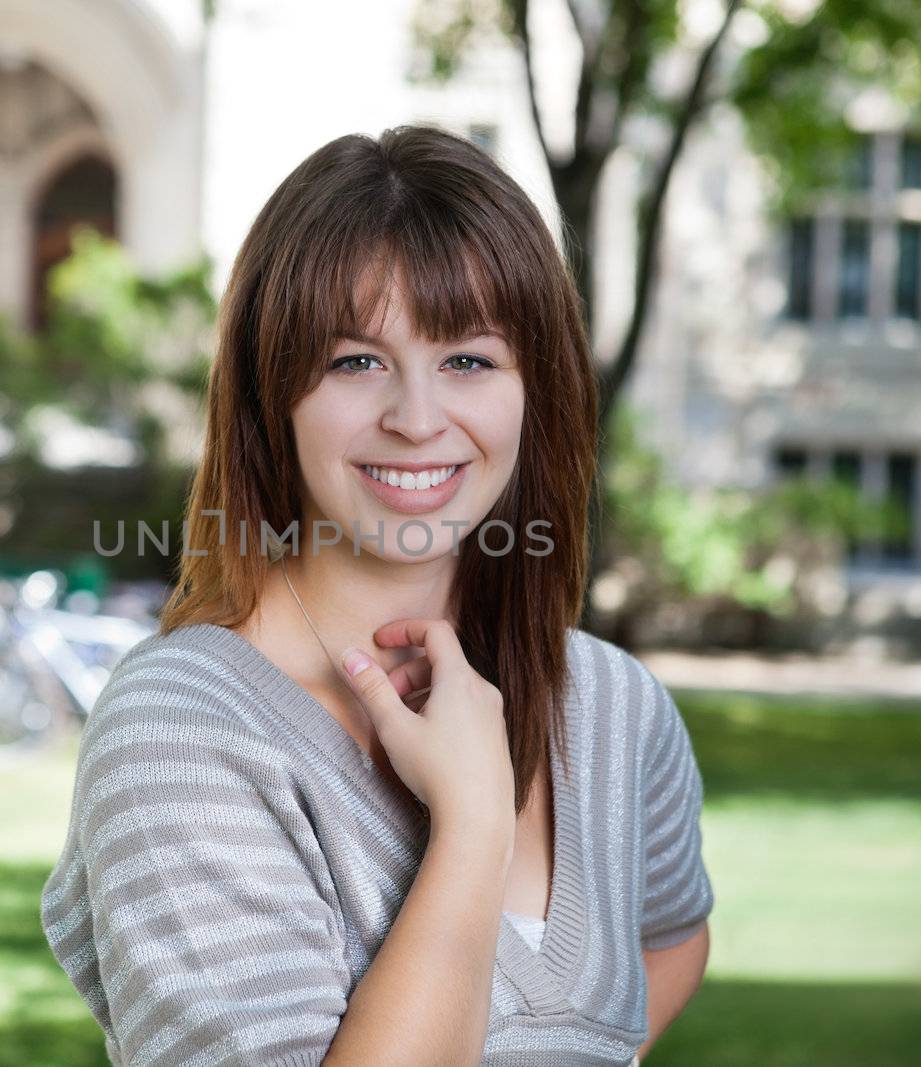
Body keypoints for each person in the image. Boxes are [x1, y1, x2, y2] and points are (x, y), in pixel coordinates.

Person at [41, 124, 714, 1067]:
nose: (416, 418)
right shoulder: (184, 732)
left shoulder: (612, 707)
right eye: (356, 361)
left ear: (537, 391)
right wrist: (473, 823)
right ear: (274, 391)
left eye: (469, 359)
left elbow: (673, 936)